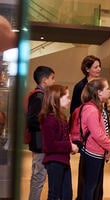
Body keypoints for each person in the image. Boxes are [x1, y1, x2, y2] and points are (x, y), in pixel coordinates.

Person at [39, 85, 79, 200]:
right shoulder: (49, 120)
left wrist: (69, 145)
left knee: (67, 195)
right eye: (67, 97)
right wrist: (69, 146)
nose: (69, 99)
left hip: (63, 160)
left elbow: (63, 138)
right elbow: (49, 145)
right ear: (56, 98)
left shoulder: (61, 117)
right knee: (54, 194)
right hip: (54, 162)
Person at [77, 78, 110, 200]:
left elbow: (103, 131)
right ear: (99, 92)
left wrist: (107, 149)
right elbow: (98, 134)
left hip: (97, 152)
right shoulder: (92, 109)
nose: (109, 91)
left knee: (93, 187)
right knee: (90, 187)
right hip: (92, 153)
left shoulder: (96, 108)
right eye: (107, 88)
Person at [26, 66, 55, 200]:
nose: (54, 81)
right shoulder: (39, 97)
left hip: (40, 142)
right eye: (52, 78)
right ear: (44, 80)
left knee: (39, 176)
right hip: (40, 143)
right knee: (39, 177)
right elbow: (32, 120)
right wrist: (48, 126)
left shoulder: (41, 95)